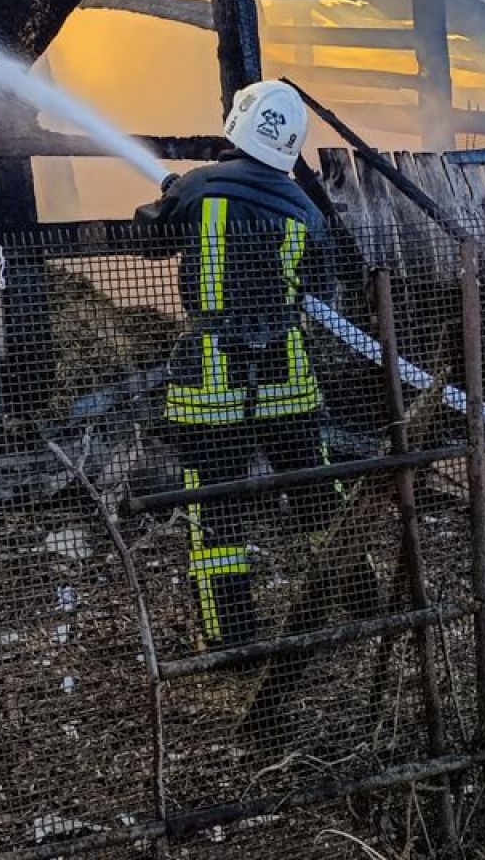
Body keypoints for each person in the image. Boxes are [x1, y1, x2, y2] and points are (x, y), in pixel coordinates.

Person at [135, 80, 338, 649]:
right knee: (318, 495)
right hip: (287, 380)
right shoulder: (305, 208)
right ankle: (358, 602)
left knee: (215, 511)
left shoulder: (200, 187)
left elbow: (150, 242)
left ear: (239, 122)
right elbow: (322, 287)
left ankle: (231, 635)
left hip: (210, 386)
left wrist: (168, 196)